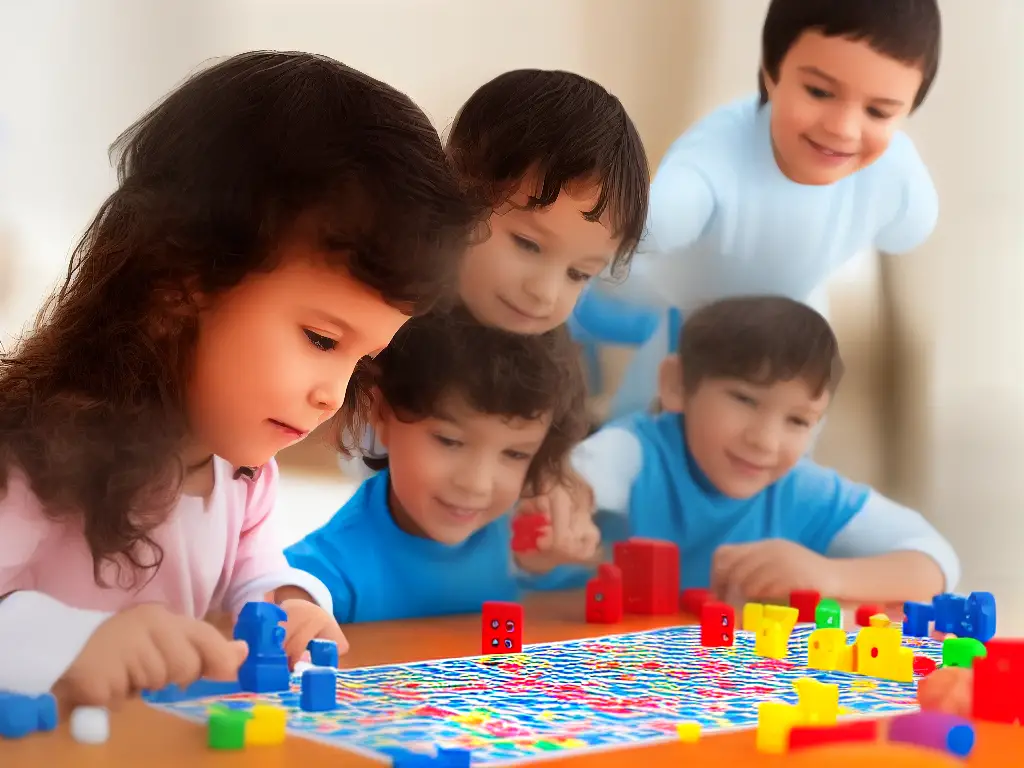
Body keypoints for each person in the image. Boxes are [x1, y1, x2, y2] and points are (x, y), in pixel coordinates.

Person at [0, 51, 478, 706]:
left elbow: (252, 576)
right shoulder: (29, 454)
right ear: (179, 285)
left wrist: (288, 604)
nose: (331, 395)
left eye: (359, 360)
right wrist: (72, 644)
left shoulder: (240, 476)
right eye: (321, 339)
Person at [573, 0, 942, 421]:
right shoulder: (715, 158)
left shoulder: (898, 176)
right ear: (771, 71)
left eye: (878, 111)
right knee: (643, 422)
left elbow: (909, 229)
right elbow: (647, 227)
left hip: (787, 298)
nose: (843, 128)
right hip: (669, 293)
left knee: (798, 385)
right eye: (819, 91)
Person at [346, 67, 650, 472]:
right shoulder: (392, 308)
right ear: (458, 189)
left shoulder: (551, 363)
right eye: (528, 244)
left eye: (579, 274)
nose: (545, 292)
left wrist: (557, 485)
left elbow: (556, 461)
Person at [562, 297, 959, 605]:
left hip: (721, 690)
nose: (765, 441)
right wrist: (567, 509)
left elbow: (936, 561)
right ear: (678, 385)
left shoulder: (802, 488)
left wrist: (824, 574)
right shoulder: (637, 451)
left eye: (798, 421)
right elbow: (568, 481)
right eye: (745, 400)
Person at [286, 308, 599, 622]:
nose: (476, 484)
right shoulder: (325, 576)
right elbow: (271, 602)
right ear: (380, 411)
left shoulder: (528, 542)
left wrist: (550, 565)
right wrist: (293, 605)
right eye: (449, 441)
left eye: (515, 454)